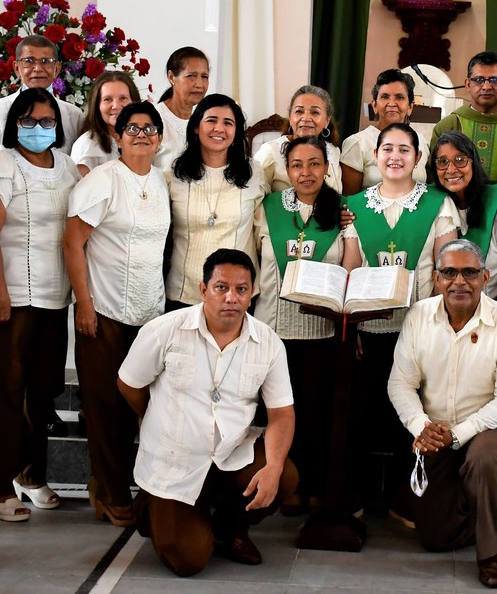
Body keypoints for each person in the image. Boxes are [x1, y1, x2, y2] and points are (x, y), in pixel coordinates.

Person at [119, 249, 298, 577]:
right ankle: (151, 505)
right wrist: (157, 418)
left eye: (242, 289)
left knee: (283, 475)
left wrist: (271, 467)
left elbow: (282, 414)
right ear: (203, 290)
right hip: (174, 462)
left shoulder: (268, 343)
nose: (232, 297)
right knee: (188, 561)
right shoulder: (165, 331)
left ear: (252, 294)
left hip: (230, 455)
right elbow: (129, 384)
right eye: (221, 287)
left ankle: (230, 528)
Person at [387, 239, 497, 589]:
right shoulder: (420, 315)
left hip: (491, 426)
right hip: (435, 428)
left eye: (469, 273)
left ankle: (490, 554)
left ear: (485, 276)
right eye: (449, 272)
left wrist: (460, 434)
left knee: (483, 458)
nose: (459, 281)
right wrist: (422, 427)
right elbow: (400, 384)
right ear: (436, 278)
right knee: (434, 536)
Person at [0, 89, 80, 522]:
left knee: (42, 390)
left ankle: (30, 475)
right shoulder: (1, 167)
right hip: (10, 295)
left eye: (47, 121)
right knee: (7, 389)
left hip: (54, 295)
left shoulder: (68, 167)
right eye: (30, 121)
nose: (40, 129)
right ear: (14, 123)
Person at [64, 102, 171, 527]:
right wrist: (84, 305)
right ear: (119, 135)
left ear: (160, 138)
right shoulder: (103, 180)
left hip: (149, 313)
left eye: (149, 129)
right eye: (132, 128)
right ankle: (109, 492)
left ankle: (132, 485)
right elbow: (73, 244)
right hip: (104, 310)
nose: (141, 135)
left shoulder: (161, 180)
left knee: (138, 407)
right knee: (105, 405)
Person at [344, 124, 459, 501]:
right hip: (370, 328)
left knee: (411, 417)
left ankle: (406, 498)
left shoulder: (438, 203)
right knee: (364, 413)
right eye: (387, 149)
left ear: (418, 158)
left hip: (420, 329)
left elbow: (446, 271)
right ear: (375, 156)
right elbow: (350, 269)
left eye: (404, 150)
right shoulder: (355, 207)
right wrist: (353, 326)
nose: (395, 157)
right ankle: (360, 497)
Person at [253, 136, 360, 513]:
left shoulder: (342, 212)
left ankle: (311, 484)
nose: (306, 172)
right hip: (271, 328)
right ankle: (281, 484)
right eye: (297, 164)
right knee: (274, 411)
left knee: (313, 412)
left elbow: (351, 267)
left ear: (327, 168)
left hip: (319, 331)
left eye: (314, 164)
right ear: (286, 170)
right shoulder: (268, 208)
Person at [166, 94, 268, 310]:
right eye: (211, 120)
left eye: (228, 123)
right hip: (185, 291)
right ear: (195, 127)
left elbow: (265, 226)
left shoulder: (255, 173)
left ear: (237, 132)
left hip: (237, 295)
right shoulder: (173, 174)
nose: (219, 129)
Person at [433, 131, 497, 311]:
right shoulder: (434, 201)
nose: (451, 169)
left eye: (460, 160)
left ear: (474, 162)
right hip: (454, 315)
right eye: (442, 162)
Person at [0, 34, 85, 169]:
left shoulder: (74, 115)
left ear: (57, 69)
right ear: (17, 68)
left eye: (46, 61)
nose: (38, 68)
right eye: (29, 61)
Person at [428, 52, 497, 183]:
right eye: (479, 80)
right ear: (468, 84)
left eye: (494, 80)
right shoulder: (448, 126)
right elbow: (432, 176)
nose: (486, 87)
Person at [340, 68, 430, 194]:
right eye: (385, 97)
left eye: (399, 97)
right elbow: (350, 201)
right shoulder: (358, 143)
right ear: (374, 105)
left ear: (410, 107)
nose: (391, 103)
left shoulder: (420, 141)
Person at [253, 85, 343, 192]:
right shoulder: (271, 152)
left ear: (326, 121)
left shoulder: (333, 151)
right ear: (290, 118)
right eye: (299, 111)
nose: (305, 118)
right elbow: (255, 198)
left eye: (315, 112)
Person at [70, 71, 140, 175]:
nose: (116, 106)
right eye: (107, 99)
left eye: (123, 98)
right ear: (97, 105)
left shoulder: (142, 138)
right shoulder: (87, 145)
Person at [153, 46, 210, 167]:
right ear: (171, 77)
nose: (199, 84)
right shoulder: (152, 119)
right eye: (191, 76)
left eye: (204, 77)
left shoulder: (203, 120)